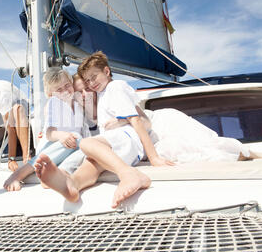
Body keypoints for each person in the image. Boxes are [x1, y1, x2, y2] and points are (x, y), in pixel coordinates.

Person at [34, 51, 173, 209]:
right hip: (117, 144)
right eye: (88, 81)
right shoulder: (102, 95)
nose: (91, 83)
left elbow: (137, 120)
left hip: (127, 138)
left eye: (94, 77)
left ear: (107, 71)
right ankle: (73, 184)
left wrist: (153, 157)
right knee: (92, 162)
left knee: (87, 143)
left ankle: (128, 174)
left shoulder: (115, 87)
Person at [3, 69, 89, 191]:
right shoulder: (54, 102)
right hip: (52, 147)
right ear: (50, 94)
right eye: (59, 90)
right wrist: (61, 135)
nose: (65, 90)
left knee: (85, 145)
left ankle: (55, 175)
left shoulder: (77, 105)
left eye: (67, 85)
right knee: (76, 137)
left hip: (70, 148)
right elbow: (49, 133)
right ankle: (18, 174)